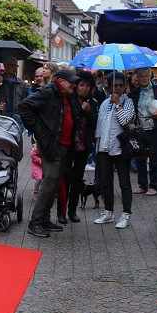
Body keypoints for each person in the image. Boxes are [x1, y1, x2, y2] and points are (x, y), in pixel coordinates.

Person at [19, 68, 80, 238]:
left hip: (64, 145)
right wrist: (39, 131)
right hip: (52, 145)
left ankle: (44, 219)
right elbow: (24, 107)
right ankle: (35, 222)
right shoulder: (47, 92)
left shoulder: (65, 95)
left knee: (53, 184)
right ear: (60, 81)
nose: (74, 85)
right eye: (71, 82)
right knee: (49, 183)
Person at [92, 71, 135, 229]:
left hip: (121, 148)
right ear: (108, 86)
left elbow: (125, 120)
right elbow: (100, 127)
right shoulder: (104, 103)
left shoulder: (128, 102)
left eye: (120, 85)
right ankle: (108, 212)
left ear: (125, 86)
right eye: (114, 86)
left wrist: (118, 104)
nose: (117, 89)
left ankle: (125, 214)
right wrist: (97, 147)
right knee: (106, 182)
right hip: (104, 147)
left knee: (124, 182)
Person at [128, 67, 157, 196]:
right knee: (140, 158)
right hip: (140, 129)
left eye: (146, 76)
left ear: (150, 76)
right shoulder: (135, 92)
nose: (143, 78)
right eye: (141, 76)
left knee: (154, 158)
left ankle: (154, 186)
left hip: (154, 128)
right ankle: (142, 185)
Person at [64, 70, 98, 224]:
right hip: (68, 145)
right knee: (65, 178)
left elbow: (94, 125)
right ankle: (61, 211)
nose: (84, 88)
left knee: (77, 180)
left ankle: (72, 210)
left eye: (87, 85)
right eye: (82, 85)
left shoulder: (93, 103)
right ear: (76, 85)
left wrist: (88, 112)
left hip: (83, 146)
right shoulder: (68, 100)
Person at [0, 57, 27, 129]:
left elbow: (23, 100)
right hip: (1, 116)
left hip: (16, 117)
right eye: (12, 65)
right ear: (5, 65)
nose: (15, 68)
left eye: (16, 66)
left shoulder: (21, 83)